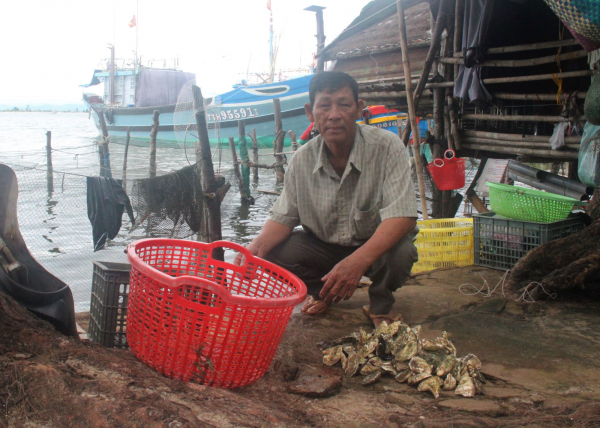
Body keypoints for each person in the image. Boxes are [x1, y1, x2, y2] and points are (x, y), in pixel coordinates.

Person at [235, 71, 418, 326]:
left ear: (358, 109)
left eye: (344, 104)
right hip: (324, 246)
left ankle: (381, 303)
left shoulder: (387, 147)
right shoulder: (301, 159)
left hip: (374, 246)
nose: (333, 115)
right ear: (310, 112)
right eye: (324, 106)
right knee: (273, 253)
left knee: (402, 252)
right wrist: (253, 250)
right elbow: (283, 218)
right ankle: (324, 294)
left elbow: (403, 217)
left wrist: (356, 263)